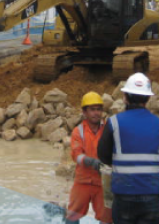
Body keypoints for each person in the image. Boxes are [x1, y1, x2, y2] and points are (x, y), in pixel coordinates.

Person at [97, 73, 159, 224]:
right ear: (148, 98)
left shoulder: (114, 122)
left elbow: (102, 155)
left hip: (124, 193)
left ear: (125, 96)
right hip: (152, 193)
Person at [65, 92, 112, 224]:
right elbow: (76, 154)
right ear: (84, 112)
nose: (96, 113)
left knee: (106, 218)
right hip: (83, 181)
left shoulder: (108, 130)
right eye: (92, 110)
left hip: (102, 182)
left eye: (98, 109)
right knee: (72, 215)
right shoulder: (78, 131)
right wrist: (90, 161)